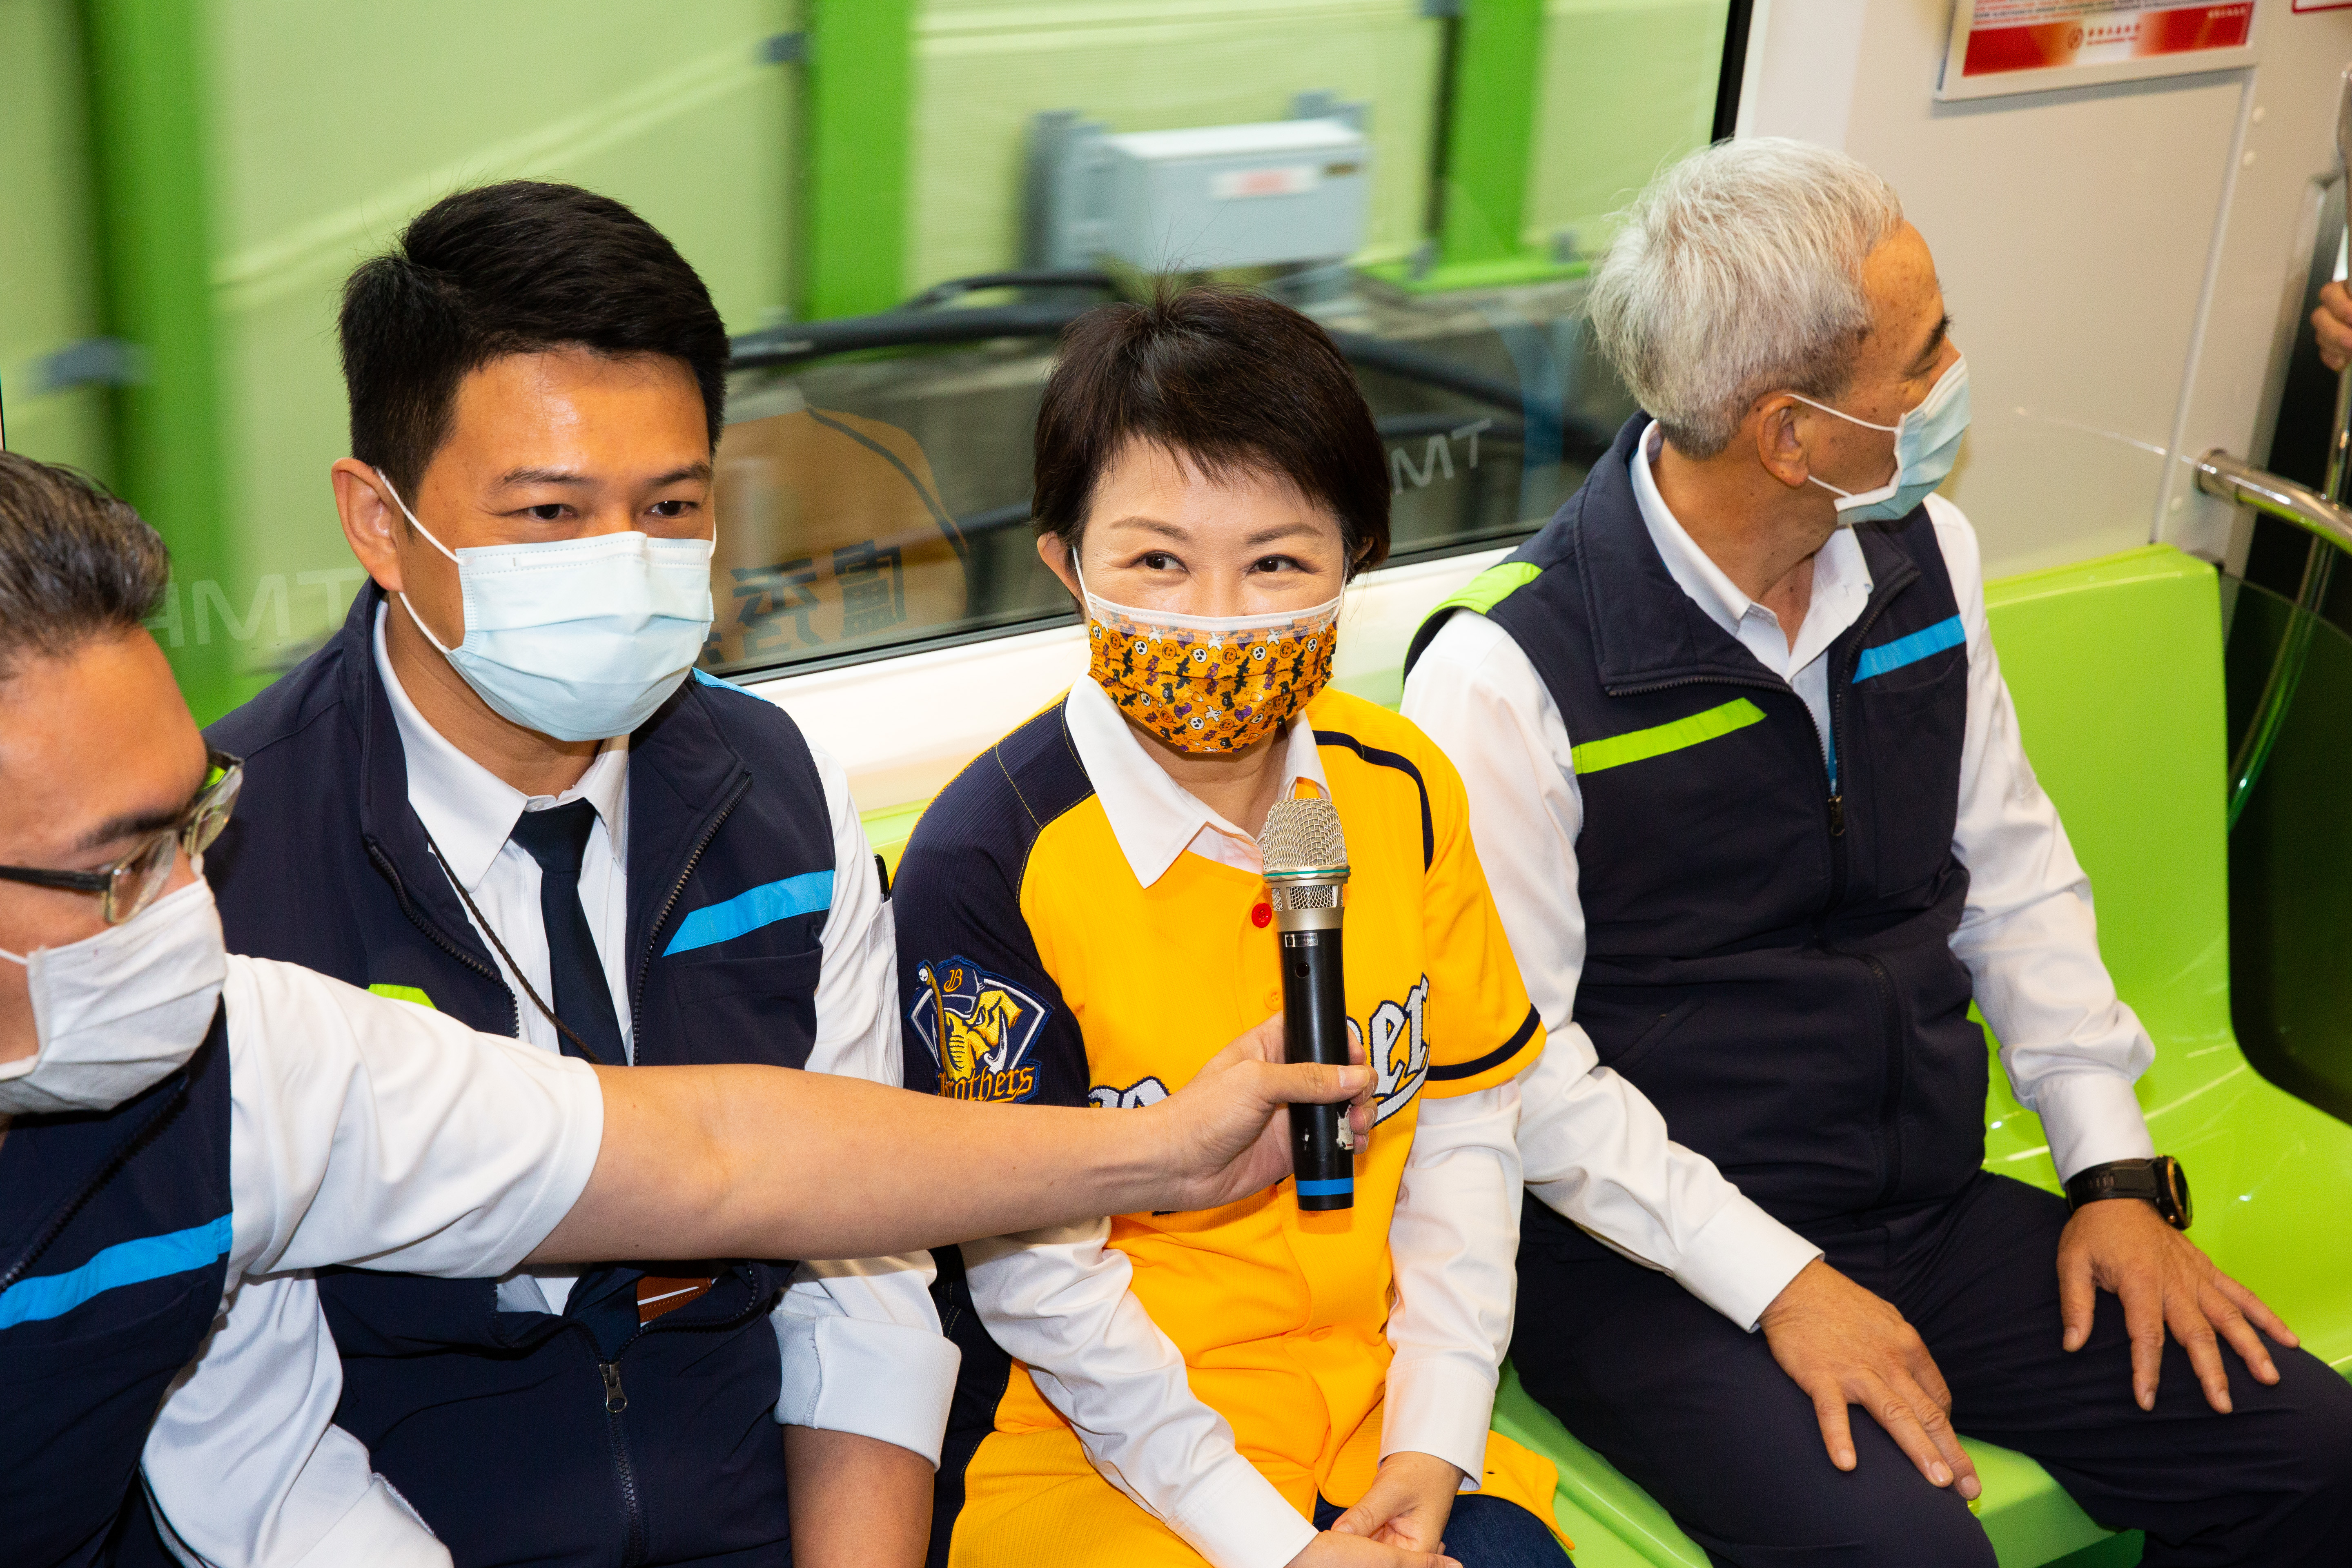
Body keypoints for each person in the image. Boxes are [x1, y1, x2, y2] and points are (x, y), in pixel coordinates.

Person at [0, 449, 1376, 1568]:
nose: (191, 908)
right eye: (124, 868)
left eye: (195, 829)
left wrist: (1166, 1148)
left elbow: (726, 1160)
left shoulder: (246, 1064)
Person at [1401, 138, 2352, 1566]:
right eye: (1925, 355)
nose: (1956, 374)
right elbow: (1519, 1070)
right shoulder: (1505, 677)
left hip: (1926, 1205)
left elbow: (2012, 876)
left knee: (2314, 1461)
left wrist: (2112, 1173)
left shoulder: (1926, 560)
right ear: (1792, 436)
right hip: (1651, 1264)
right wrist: (1782, 1283)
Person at [183, 180, 921, 1568]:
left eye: (671, 505)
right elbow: (239, 1429)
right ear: (380, 523)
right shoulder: (223, 872)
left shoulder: (779, 798)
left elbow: (865, 1284)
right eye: (548, 513)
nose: (623, 566)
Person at [894, 289, 1570, 1568]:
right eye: (1157, 561)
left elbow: (1468, 1129)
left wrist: (1435, 1439)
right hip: (1105, 1457)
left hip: (1375, 1421)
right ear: (1066, 565)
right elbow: (1038, 1277)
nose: (1216, 614)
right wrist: (1273, 1546)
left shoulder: (1403, 786)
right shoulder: (987, 860)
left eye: (1277, 563)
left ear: (1355, 564)